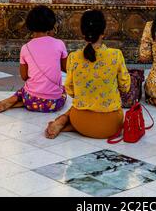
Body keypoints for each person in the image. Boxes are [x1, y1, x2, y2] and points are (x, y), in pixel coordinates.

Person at [45, 9, 131, 139]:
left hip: (81, 122)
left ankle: (64, 122)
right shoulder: (116, 55)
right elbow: (125, 87)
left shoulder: (74, 57)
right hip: (112, 124)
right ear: (104, 31)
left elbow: (70, 89)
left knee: (78, 106)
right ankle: (67, 124)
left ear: (82, 33)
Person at [0, 6, 67, 113]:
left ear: (30, 25)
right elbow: (66, 68)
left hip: (30, 100)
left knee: (25, 89)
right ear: (51, 24)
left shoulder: (25, 48)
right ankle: (22, 102)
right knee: (63, 90)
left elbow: (24, 77)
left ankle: (17, 100)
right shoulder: (59, 44)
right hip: (54, 103)